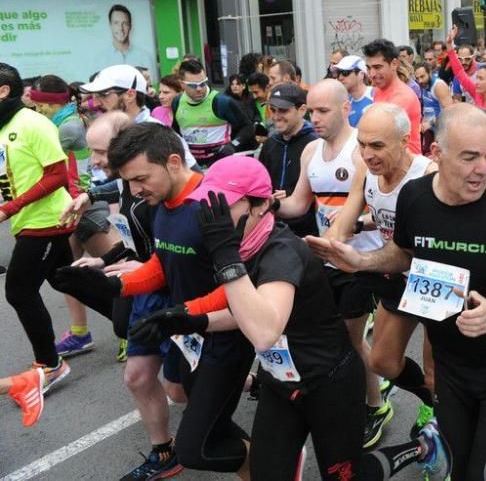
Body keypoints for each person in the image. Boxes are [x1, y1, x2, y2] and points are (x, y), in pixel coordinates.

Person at [125, 155, 448, 480]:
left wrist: (225, 258)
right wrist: (189, 320)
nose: (211, 216)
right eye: (206, 205)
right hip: (281, 383)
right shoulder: (240, 247)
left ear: (260, 205)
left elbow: (265, 331)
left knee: (347, 476)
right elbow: (247, 311)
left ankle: (422, 447)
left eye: (223, 205)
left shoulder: (279, 251)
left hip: (328, 384)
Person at [310, 103, 486, 480]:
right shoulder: (414, 197)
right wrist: (361, 262)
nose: (483, 168)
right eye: (469, 157)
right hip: (451, 367)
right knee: (457, 470)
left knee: (483, 475)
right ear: (437, 153)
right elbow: (404, 253)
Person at [54, 123, 254, 477]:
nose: (134, 190)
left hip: (224, 333)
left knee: (204, 437)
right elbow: (163, 264)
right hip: (186, 330)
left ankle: (274, 462)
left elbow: (241, 281)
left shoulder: (214, 204)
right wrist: (112, 286)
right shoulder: (160, 205)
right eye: (129, 181)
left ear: (174, 162)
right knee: (186, 401)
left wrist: (184, 313)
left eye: (140, 179)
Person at [60, 112, 189, 480]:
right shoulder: (126, 186)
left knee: (181, 390)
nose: (95, 161)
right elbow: (132, 240)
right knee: (137, 376)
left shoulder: (158, 190)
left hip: (174, 295)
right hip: (146, 292)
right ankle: (164, 452)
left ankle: (252, 403)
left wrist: (139, 268)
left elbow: (168, 254)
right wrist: (103, 259)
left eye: (101, 151)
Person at [273, 78, 391, 446]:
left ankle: (375, 404)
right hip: (325, 257)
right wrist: (270, 202)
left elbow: (381, 208)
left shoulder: (362, 152)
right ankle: (349, 393)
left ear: (345, 108)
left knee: (349, 338)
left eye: (323, 110)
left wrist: (350, 230)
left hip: (363, 260)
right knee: (333, 337)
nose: (316, 118)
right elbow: (298, 205)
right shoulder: (310, 152)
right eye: (312, 110)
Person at [324, 103, 439, 438]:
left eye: (377, 145)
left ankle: (445, 432)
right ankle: (430, 399)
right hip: (393, 273)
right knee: (382, 362)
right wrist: (324, 247)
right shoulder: (366, 169)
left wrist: (361, 259)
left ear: (404, 141)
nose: (367, 153)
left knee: (436, 372)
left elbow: (419, 245)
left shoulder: (427, 175)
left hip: (431, 279)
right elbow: (343, 225)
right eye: (362, 143)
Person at [0, 62, 112, 392]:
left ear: (4, 90)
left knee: (19, 289)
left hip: (49, 219)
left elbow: (57, 175)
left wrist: (10, 208)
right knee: (66, 278)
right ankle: (135, 322)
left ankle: (49, 364)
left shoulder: (33, 123)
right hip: (27, 220)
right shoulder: (3, 128)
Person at [257, 83, 319, 237]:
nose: (276, 116)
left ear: (302, 110)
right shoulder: (270, 144)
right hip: (272, 228)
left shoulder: (316, 143)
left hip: (308, 231)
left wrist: (292, 195)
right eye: (273, 110)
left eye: (283, 110)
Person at [172, 59, 254, 166]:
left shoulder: (221, 101)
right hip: (192, 166)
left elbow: (248, 127)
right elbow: (176, 131)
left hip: (220, 165)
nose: (199, 89)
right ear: (182, 84)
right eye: (193, 85)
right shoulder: (177, 102)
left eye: (202, 83)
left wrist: (232, 146)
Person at [363, 39, 421, 154]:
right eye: (369, 68)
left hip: (407, 166)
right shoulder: (378, 90)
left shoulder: (403, 97)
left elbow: (377, 133)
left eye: (377, 67)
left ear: (394, 64)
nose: (372, 74)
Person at [102, 4, 156, 71]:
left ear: (130, 26)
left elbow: (151, 81)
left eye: (125, 23)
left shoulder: (144, 57)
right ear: (110, 25)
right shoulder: (101, 59)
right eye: (116, 23)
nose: (121, 28)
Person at [331, 55, 374, 127]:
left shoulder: (375, 95)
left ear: (361, 75)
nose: (340, 77)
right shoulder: (343, 103)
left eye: (345, 72)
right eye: (338, 73)